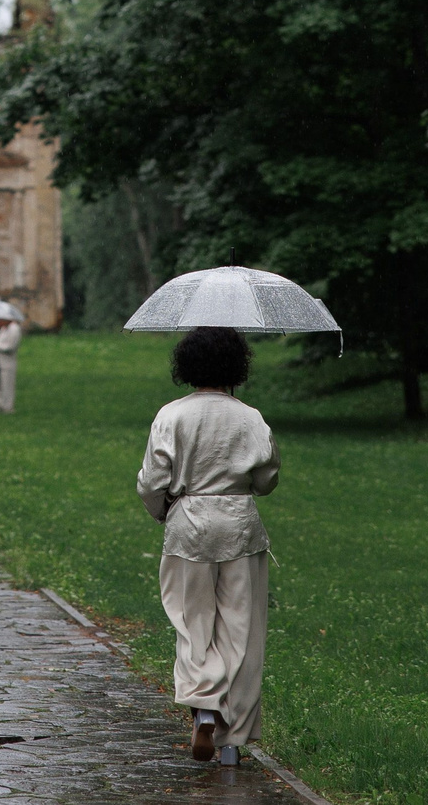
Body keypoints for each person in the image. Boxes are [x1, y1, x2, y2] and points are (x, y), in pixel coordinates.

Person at [137, 326, 279, 767]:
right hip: (240, 526)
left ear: (187, 366)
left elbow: (152, 482)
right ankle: (232, 742)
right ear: (238, 366)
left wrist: (165, 510)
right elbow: (267, 479)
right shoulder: (249, 416)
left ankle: (203, 707)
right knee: (240, 629)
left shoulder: (172, 415)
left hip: (188, 526)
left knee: (192, 622)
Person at [0, 313, 23, 413]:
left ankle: (8, 408)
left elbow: (10, 347)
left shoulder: (15, 329)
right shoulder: (3, 328)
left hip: (8, 363)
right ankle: (1, 404)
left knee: (7, 386)